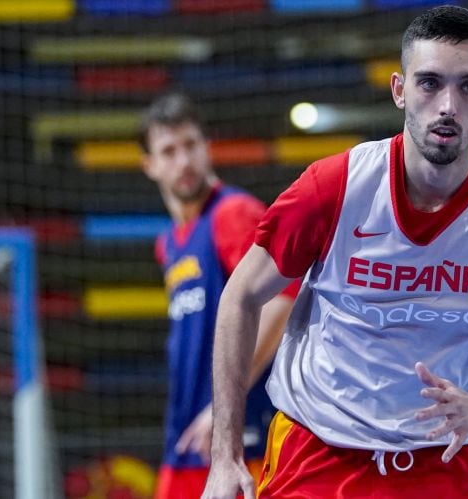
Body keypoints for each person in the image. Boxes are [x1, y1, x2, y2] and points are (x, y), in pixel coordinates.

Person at [201, 5, 468, 498]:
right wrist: (224, 458)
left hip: (443, 456)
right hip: (317, 454)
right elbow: (241, 297)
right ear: (399, 89)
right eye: (429, 83)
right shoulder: (335, 185)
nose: (447, 105)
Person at [139, 94, 297, 499]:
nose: (183, 161)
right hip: (189, 435)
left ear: (207, 148)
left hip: (241, 436)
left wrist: (222, 407)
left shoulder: (233, 214)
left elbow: (285, 299)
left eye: (191, 146)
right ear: (149, 165)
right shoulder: (168, 244)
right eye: (169, 152)